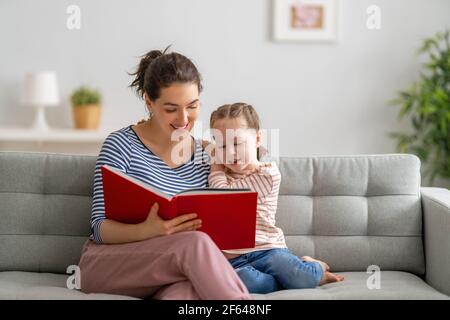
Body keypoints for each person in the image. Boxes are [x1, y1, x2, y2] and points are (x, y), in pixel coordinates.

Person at [78, 48, 251, 300]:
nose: (183, 119)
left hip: (173, 268)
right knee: (194, 244)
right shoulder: (120, 145)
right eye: (171, 109)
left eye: (192, 106)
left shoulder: (209, 156)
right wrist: (149, 230)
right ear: (149, 101)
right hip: (108, 264)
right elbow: (99, 229)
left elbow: (256, 175)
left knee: (186, 293)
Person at [208, 102, 344, 294]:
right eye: (222, 145)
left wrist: (215, 166)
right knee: (244, 281)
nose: (230, 153)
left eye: (237, 143)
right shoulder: (222, 177)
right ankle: (281, 283)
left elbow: (224, 198)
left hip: (269, 250)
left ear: (257, 139)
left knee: (301, 277)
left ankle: (316, 268)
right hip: (234, 259)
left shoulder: (267, 174)